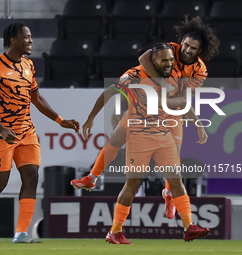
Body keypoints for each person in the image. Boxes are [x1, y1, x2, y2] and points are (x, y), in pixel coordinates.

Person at [71, 16, 219, 220]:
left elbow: (182, 102)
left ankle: (168, 195)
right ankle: (92, 177)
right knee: (115, 140)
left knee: (173, 163)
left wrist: (192, 119)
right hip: (142, 110)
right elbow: (142, 60)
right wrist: (161, 84)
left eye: (192, 48)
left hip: (170, 114)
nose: (186, 50)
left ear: (200, 50)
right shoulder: (169, 50)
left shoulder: (199, 71)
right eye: (185, 44)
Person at [0, 23, 79, 243]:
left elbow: (37, 99)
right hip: (2, 134)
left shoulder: (28, 65)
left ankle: (21, 233)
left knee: (31, 177)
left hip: (27, 131)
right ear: (13, 40)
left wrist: (60, 120)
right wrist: (1, 128)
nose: (31, 41)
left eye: (31, 37)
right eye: (27, 37)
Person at [106, 43, 209, 244]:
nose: (170, 63)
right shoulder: (137, 76)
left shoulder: (175, 79)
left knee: (176, 178)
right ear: (154, 60)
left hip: (163, 136)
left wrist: (198, 124)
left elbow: (181, 103)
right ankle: (115, 231)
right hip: (140, 137)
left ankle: (189, 226)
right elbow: (117, 106)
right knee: (132, 184)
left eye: (171, 60)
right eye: (165, 60)